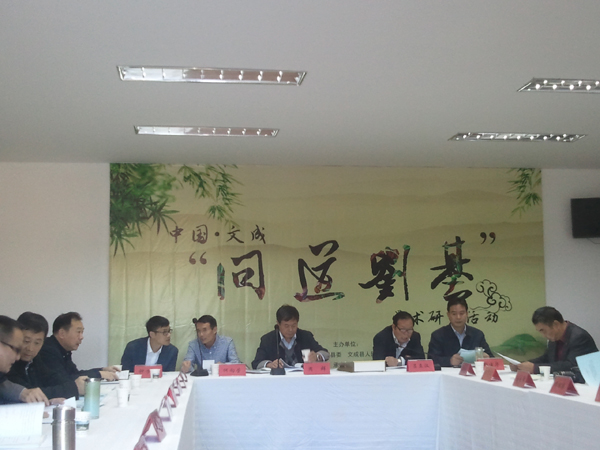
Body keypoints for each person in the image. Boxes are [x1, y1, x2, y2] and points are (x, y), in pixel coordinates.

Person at [8, 312, 84, 399]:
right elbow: (31, 393)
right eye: (26, 341)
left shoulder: (36, 359)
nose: (30, 348)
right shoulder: (9, 362)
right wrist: (74, 388)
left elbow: (55, 379)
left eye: (37, 343)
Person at [510, 306, 598, 374]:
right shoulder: (554, 338)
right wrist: (522, 365)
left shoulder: (579, 337)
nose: (543, 335)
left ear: (556, 324)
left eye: (543, 330)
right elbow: (546, 358)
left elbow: (571, 366)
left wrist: (535, 368)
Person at [38, 312, 118, 382]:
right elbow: (62, 380)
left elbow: (75, 374)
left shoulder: (64, 351)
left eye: (82, 332)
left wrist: (102, 370)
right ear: (62, 333)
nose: (81, 337)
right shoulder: (47, 350)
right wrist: (99, 374)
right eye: (78, 332)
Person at [251, 305, 329, 369]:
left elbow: (325, 353)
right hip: (278, 380)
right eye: (286, 326)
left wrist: (317, 356)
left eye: (294, 325)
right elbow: (256, 363)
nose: (290, 329)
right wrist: (269, 364)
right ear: (278, 323)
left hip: (302, 378)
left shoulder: (305, 336)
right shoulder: (268, 339)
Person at [427, 297, 493, 367]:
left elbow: (491, 357)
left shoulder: (477, 335)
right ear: (448, 315)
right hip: (448, 373)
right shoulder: (438, 335)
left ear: (467, 314)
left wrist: (487, 358)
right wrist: (449, 361)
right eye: (454, 314)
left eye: (461, 313)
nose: (458, 317)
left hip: (472, 373)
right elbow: (431, 360)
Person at [0, 315, 49, 405]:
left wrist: (48, 402)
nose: (17, 357)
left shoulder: (37, 360)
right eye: (15, 349)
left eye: (37, 343)